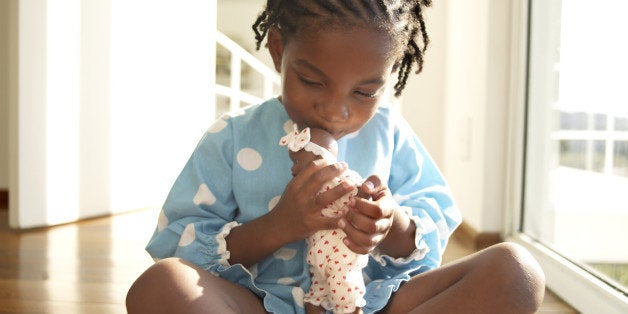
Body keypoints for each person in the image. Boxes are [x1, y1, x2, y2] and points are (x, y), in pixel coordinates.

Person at [126, 1, 546, 313]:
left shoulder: (390, 133)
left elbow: (430, 220)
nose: (335, 111)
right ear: (277, 51)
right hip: (260, 302)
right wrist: (279, 226)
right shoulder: (233, 137)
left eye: (364, 93)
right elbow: (178, 243)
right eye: (312, 81)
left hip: (375, 302)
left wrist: (390, 224)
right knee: (162, 285)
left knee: (516, 270)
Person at [280, 125, 370, 313]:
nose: (292, 168)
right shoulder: (303, 193)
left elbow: (357, 196)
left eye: (296, 161)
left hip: (340, 255)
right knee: (316, 297)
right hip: (318, 255)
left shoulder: (337, 182)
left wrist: (364, 192)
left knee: (345, 296)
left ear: (319, 159)